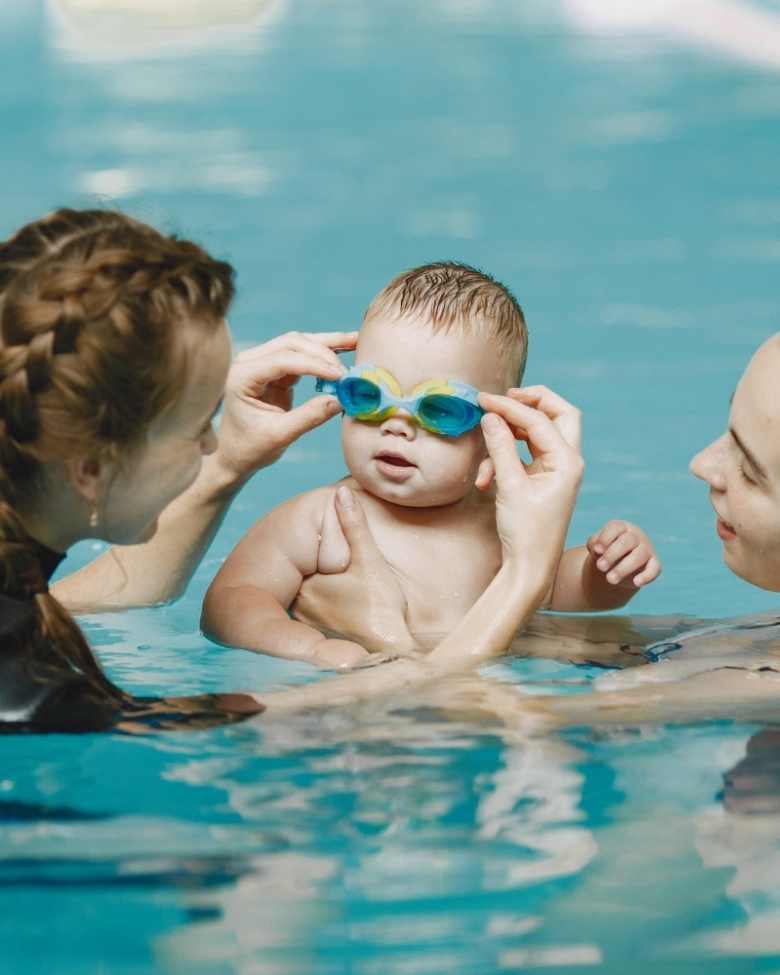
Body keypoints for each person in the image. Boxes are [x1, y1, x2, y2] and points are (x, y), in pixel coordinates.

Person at [0, 209, 586, 733]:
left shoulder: (21, 605)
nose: (214, 442)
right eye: (203, 422)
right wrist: (523, 576)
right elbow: (426, 699)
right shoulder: (33, 696)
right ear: (90, 469)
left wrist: (232, 461)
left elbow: (76, 604)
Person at [201, 263, 660, 668]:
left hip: (473, 692)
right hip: (364, 706)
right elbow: (231, 601)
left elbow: (551, 588)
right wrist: (308, 648)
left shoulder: (503, 515)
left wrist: (606, 573)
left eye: (438, 410)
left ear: (499, 430)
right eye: (369, 396)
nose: (396, 427)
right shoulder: (321, 517)